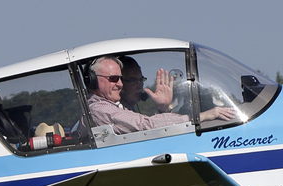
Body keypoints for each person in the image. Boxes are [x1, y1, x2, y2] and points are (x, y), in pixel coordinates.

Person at [86, 55, 235, 133]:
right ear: (92, 81)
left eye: (120, 79)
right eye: (113, 79)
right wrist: (201, 116)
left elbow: (144, 128)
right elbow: (147, 126)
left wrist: (163, 108)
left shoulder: (120, 108)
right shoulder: (100, 110)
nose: (119, 84)